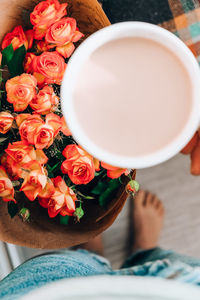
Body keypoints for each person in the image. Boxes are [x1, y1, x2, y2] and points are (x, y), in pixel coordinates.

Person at [1, 190, 200, 300]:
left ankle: (89, 252)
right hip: (185, 287)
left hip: (49, 295)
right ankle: (144, 251)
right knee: (167, 263)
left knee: (70, 266)